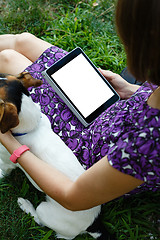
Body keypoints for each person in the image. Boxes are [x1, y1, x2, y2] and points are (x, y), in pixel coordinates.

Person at [0, 0, 159, 212]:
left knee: (8, 59)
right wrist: (133, 90)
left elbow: (72, 197)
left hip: (88, 148)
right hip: (110, 108)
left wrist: (9, 141)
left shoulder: (149, 144)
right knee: (24, 41)